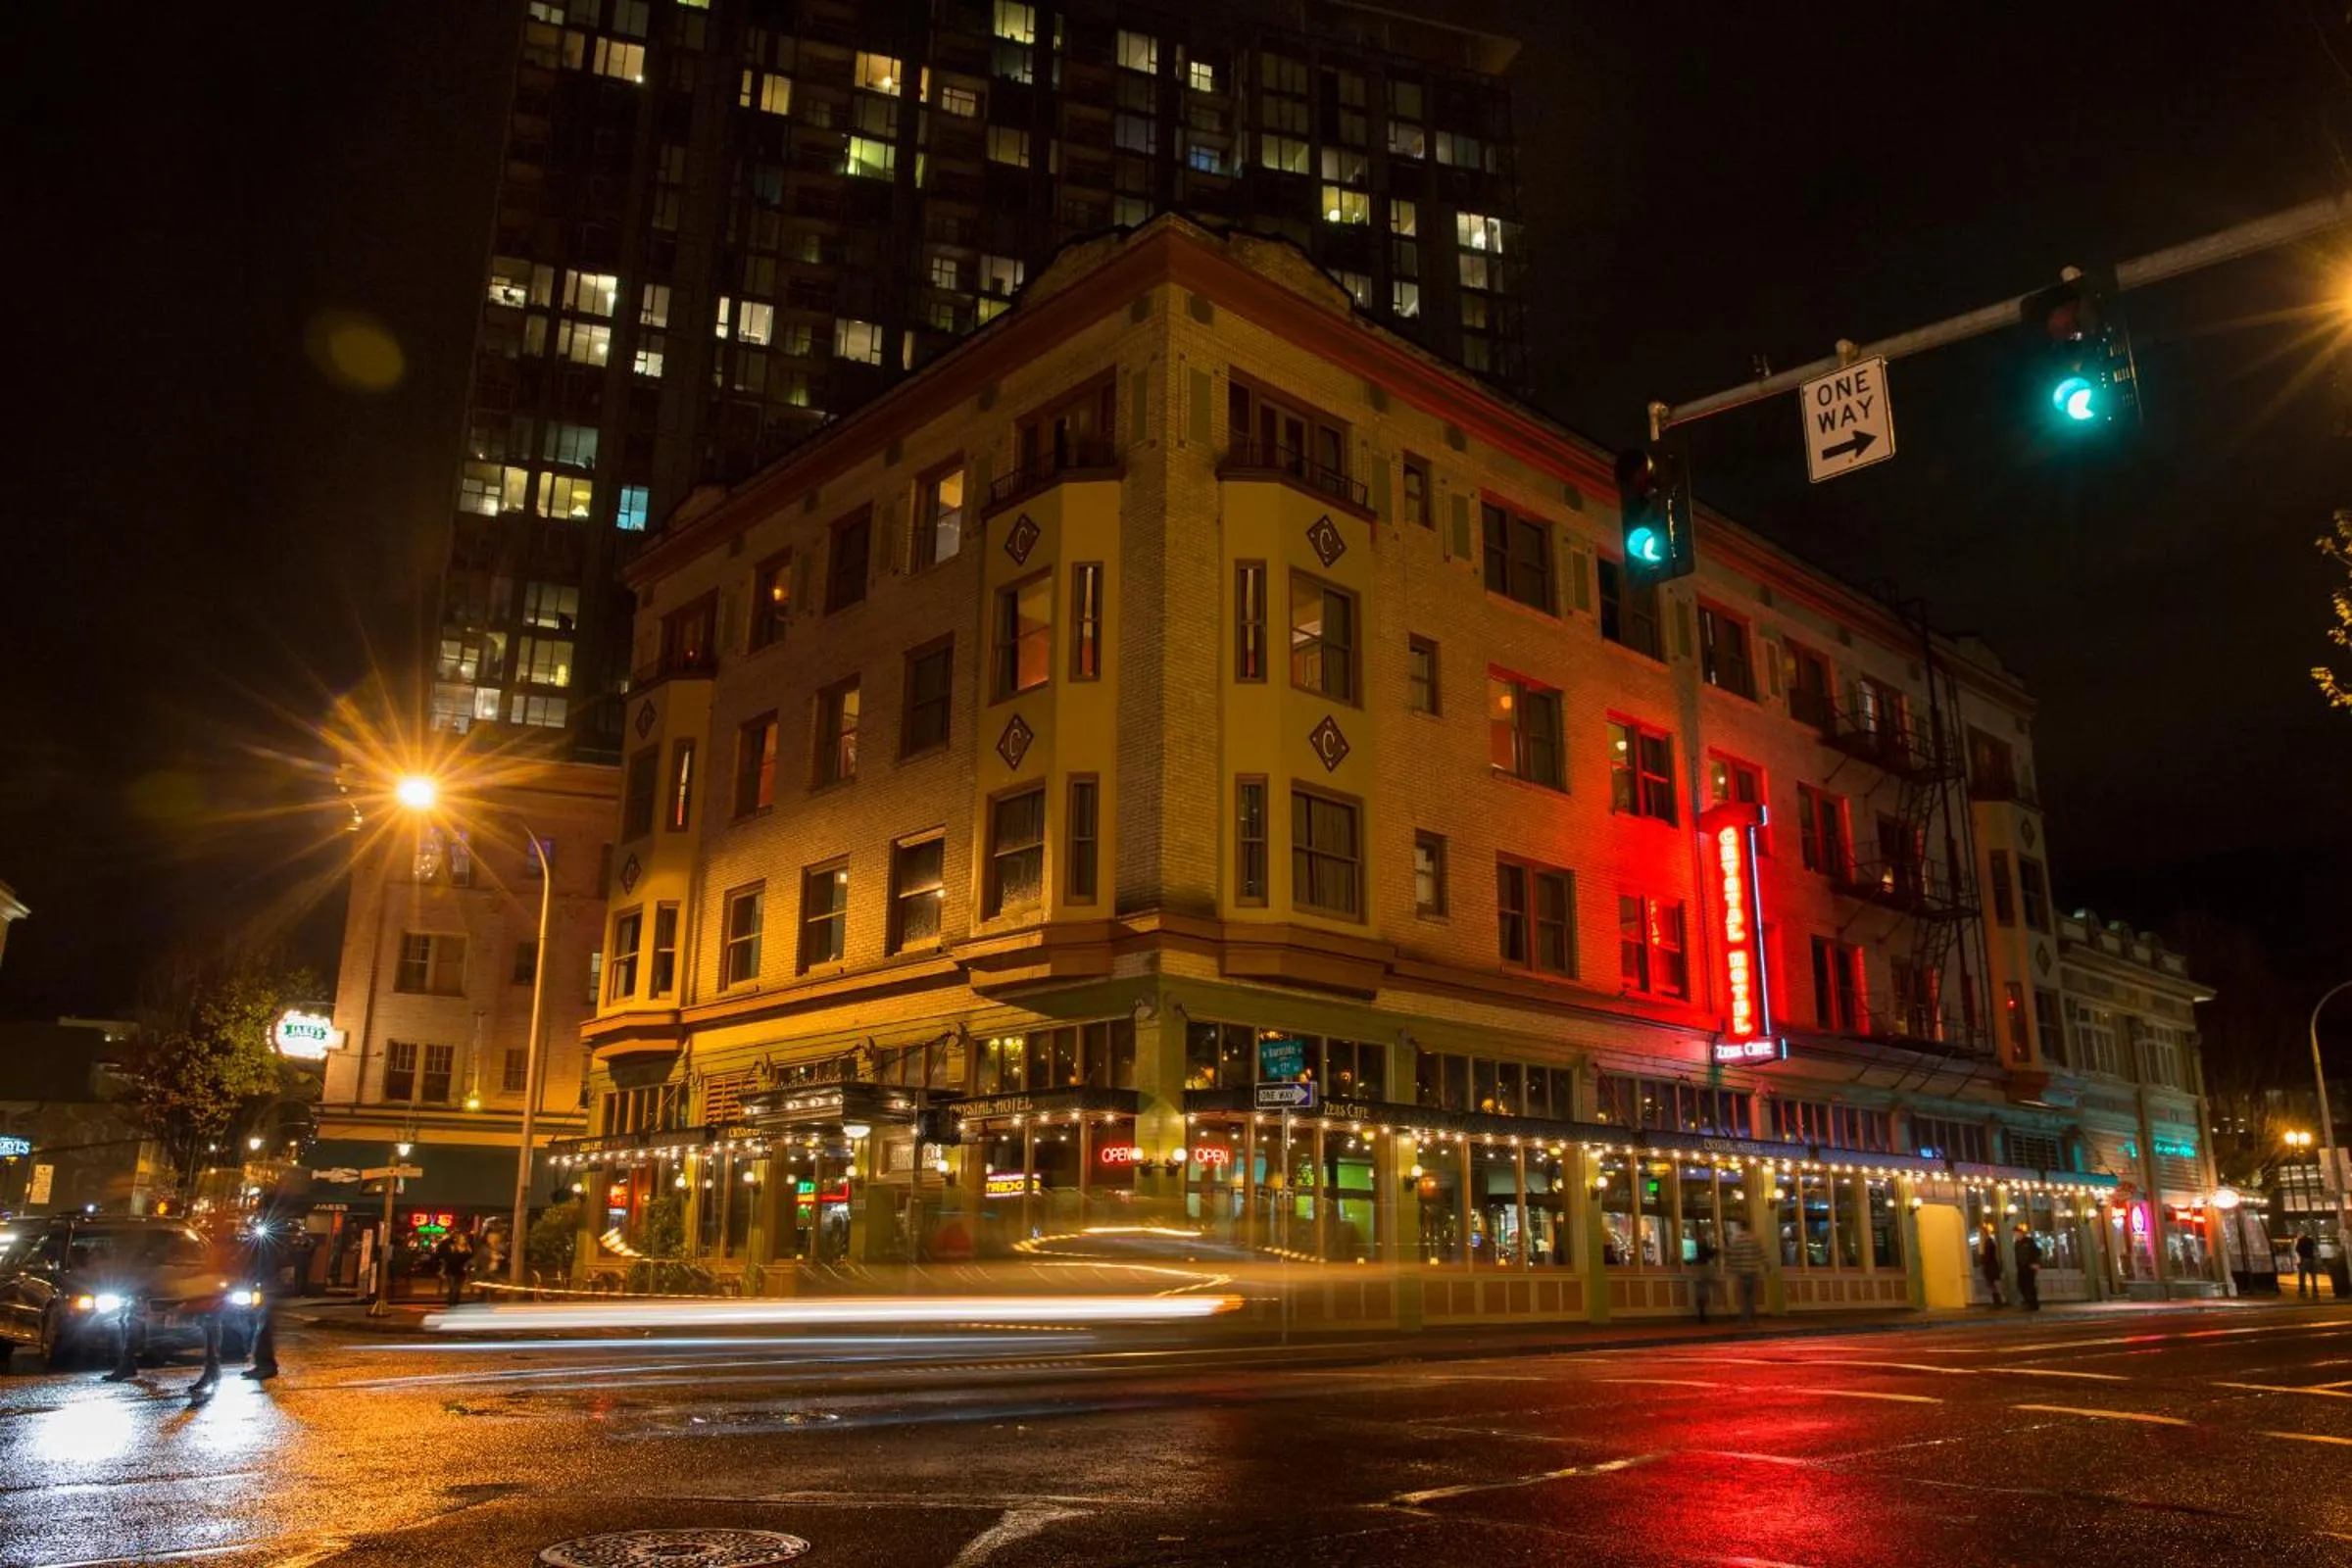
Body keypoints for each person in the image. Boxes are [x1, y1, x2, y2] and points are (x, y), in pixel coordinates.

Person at [1724, 1222, 1766, 1325]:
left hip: (1742, 1272)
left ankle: (1746, 1318)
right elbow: (1761, 1254)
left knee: (1745, 1296)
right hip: (1752, 1270)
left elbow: (1732, 1256)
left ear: (1740, 1228)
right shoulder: (1754, 1240)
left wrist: (1730, 1268)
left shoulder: (1737, 1241)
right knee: (1751, 1296)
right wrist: (1767, 1265)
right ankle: (1752, 1317)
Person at [2012, 1223, 2042, 1312]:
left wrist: (2035, 1263)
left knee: (2030, 1286)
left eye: (2016, 1233)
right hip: (2021, 1267)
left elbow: (2037, 1252)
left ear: (2021, 1233)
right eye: (2014, 1233)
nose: (2015, 1235)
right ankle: (2027, 1302)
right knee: (2021, 1285)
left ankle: (2033, 1304)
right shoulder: (2017, 1243)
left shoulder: (2029, 1241)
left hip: (2029, 1266)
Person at [1691, 1234, 1719, 1325]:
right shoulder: (1703, 1247)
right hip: (1704, 1270)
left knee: (1700, 1293)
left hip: (1699, 1272)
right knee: (1704, 1293)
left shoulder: (1696, 1248)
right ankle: (1704, 1314)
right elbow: (1710, 1253)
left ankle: (1702, 1314)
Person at [443, 1229, 475, 1307]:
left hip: (461, 1271)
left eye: (463, 1239)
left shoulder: (468, 1249)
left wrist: (469, 1267)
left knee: (457, 1289)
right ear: (457, 1239)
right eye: (460, 1239)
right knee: (453, 1288)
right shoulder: (452, 1247)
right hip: (451, 1270)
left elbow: (471, 1260)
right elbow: (447, 1258)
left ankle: (455, 1303)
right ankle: (451, 1304)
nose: (462, 1240)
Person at [1977, 1227, 2006, 1306]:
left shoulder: (1988, 1242)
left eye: (1981, 1233)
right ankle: (1996, 1301)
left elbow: (1988, 1255)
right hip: (1989, 1265)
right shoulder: (1986, 1242)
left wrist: (1982, 1258)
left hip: (1990, 1266)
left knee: (1991, 1283)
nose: (1980, 1235)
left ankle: (1998, 1302)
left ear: (1984, 1233)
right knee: (1990, 1284)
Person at [2295, 1229, 2321, 1298]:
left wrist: (2301, 1255)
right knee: (2313, 1277)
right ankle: (2315, 1291)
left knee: (2302, 1276)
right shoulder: (2311, 1240)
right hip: (2311, 1259)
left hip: (2304, 1259)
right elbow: (2315, 1249)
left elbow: (2297, 1249)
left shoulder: (2300, 1240)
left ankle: (2303, 1291)